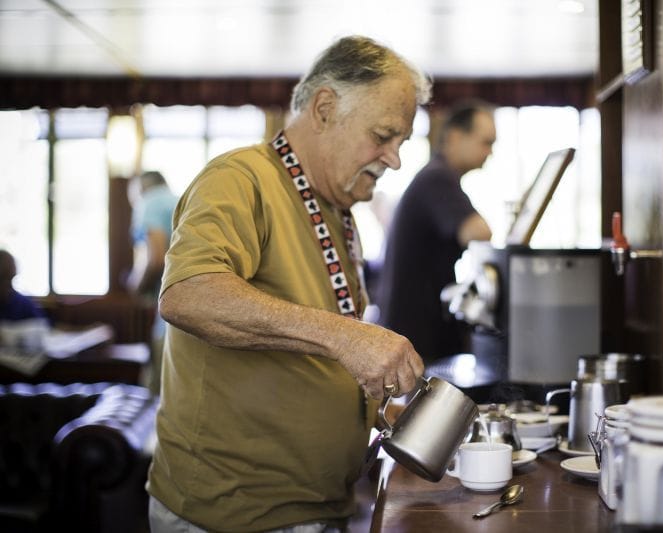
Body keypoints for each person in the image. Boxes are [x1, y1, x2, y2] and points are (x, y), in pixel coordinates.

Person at [147, 35, 429, 533]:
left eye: (401, 142)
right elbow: (188, 295)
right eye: (383, 135)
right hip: (235, 517)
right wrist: (349, 336)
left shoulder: (336, 208)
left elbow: (309, 356)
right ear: (324, 108)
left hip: (316, 506)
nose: (394, 159)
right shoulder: (240, 177)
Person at [377, 101, 496, 364]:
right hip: (417, 334)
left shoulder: (437, 176)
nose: (490, 152)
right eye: (485, 142)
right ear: (455, 137)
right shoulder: (437, 178)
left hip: (417, 327)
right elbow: (478, 233)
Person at [127, 170, 178, 395]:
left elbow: (155, 257)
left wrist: (135, 286)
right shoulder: (179, 200)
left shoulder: (149, 202)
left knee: (158, 396)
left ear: (140, 189)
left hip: (169, 320)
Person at [0, 249, 46, 322]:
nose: (8, 286)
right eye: (3, 279)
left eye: (9, 279)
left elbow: (41, 325)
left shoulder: (23, 303)